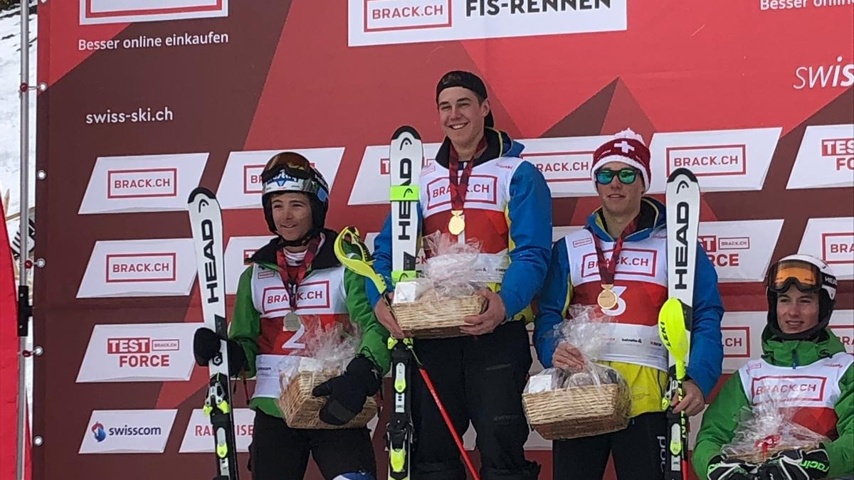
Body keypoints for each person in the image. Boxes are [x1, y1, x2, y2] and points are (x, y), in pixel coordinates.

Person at [367, 70, 553, 480]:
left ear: (484, 108)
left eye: (464, 104)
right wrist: (380, 296)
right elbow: (386, 252)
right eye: (445, 107)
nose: (454, 115)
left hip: (495, 331)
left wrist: (505, 303)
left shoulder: (518, 173)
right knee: (433, 453)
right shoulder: (419, 180)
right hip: (433, 334)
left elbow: (534, 253)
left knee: (501, 450)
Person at [533, 129, 725, 480]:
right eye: (606, 175)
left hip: (648, 398)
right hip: (581, 393)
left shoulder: (677, 246)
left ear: (643, 182)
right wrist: (552, 350)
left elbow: (704, 315)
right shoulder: (570, 248)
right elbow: (547, 316)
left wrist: (697, 378)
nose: (615, 184)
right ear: (596, 183)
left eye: (627, 174)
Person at [192, 152, 390, 480]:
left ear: (316, 208)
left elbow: (375, 325)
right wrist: (225, 352)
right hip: (275, 410)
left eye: (296, 204)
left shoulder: (347, 266)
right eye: (277, 205)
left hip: (335, 401)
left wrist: (361, 375)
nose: (286, 215)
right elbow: (247, 352)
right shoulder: (254, 275)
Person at [694, 254, 853, 480]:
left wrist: (819, 462)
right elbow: (711, 437)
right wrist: (715, 467)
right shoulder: (749, 376)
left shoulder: (845, 370)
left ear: (823, 306)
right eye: (784, 300)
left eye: (805, 301)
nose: (792, 312)